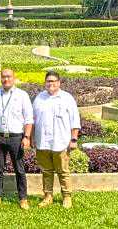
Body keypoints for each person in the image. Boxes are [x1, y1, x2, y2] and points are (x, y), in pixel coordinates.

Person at [0, 68, 34, 210]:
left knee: (19, 169)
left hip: (16, 137)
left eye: (9, 77)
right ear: (1, 78)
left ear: (14, 78)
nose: (6, 79)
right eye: (3, 77)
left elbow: (28, 118)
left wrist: (27, 137)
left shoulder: (22, 95)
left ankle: (23, 198)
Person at [32, 71, 81, 209]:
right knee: (46, 171)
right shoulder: (39, 98)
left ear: (59, 82)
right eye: (48, 81)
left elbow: (75, 120)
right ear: (45, 83)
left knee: (63, 171)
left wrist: (74, 139)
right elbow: (33, 120)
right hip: (43, 142)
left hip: (61, 142)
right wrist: (32, 138)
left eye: (53, 81)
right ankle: (48, 196)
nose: (51, 84)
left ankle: (67, 196)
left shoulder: (67, 98)